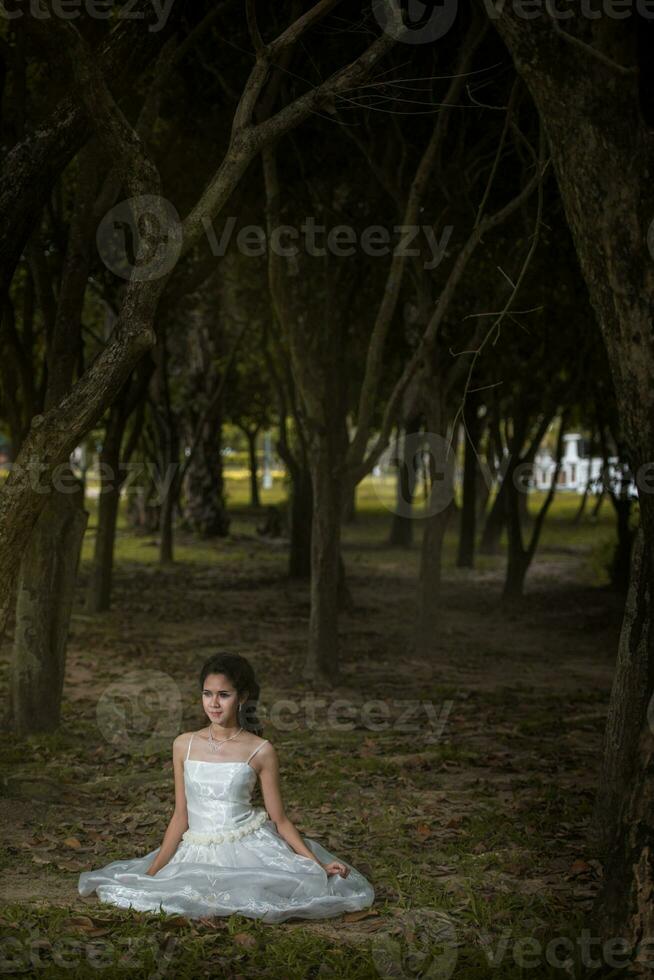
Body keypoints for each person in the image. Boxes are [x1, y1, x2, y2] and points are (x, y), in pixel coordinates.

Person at [78, 653, 375, 923]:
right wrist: (152, 873)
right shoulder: (184, 744)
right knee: (173, 894)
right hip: (197, 847)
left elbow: (279, 819)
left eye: (223, 695)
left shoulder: (261, 750)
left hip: (247, 845)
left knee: (254, 896)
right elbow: (181, 815)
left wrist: (316, 865)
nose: (214, 704)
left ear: (242, 697)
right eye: (207, 694)